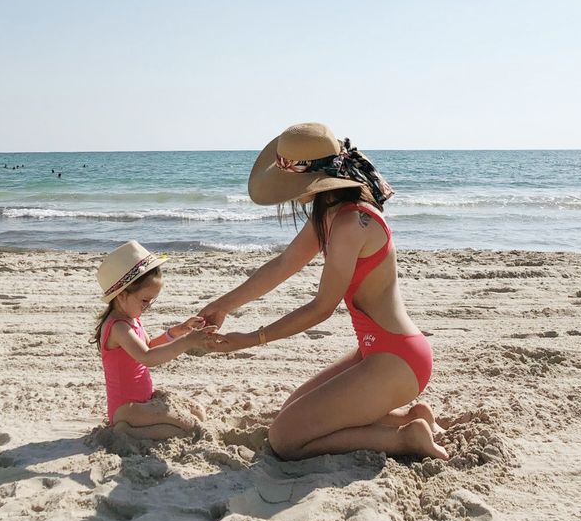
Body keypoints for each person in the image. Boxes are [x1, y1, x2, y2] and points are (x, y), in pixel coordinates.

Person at [202, 123, 448, 461]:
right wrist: (222, 306)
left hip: (396, 359)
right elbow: (282, 265)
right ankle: (410, 418)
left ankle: (405, 440)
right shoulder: (330, 213)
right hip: (375, 351)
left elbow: (321, 308)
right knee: (292, 413)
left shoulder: (351, 224)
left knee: (286, 439)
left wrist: (251, 339)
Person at [93, 240, 217, 438]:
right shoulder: (119, 327)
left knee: (198, 413)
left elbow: (149, 346)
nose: (148, 306)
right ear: (122, 296)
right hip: (126, 408)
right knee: (188, 428)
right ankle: (125, 430)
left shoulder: (131, 319)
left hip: (144, 399)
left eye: (152, 300)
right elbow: (148, 357)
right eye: (144, 300)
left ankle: (133, 429)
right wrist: (187, 342)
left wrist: (178, 332)